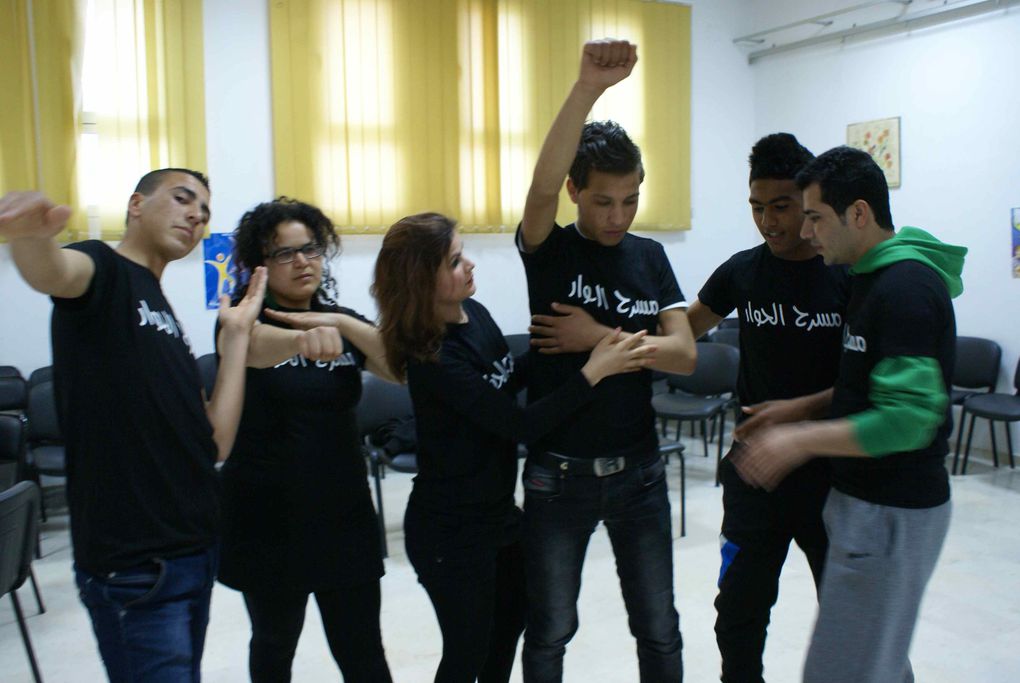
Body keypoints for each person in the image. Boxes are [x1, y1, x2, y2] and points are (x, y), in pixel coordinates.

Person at [0, 169, 267, 682]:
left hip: (192, 552)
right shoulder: (102, 269)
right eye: (183, 198)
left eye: (205, 211)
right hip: (138, 568)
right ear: (136, 205)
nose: (196, 215)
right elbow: (52, 271)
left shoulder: (162, 311)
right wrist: (30, 237)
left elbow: (212, 442)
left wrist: (235, 342)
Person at [371, 212, 654, 683]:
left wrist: (569, 345)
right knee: (468, 650)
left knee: (508, 626)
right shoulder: (433, 357)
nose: (470, 266)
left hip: (496, 516)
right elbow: (518, 423)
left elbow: (505, 376)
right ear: (422, 278)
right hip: (450, 531)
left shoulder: (473, 314)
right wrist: (593, 370)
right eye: (455, 261)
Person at [731, 146, 966, 683]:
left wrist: (802, 440)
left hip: (892, 511)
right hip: (864, 504)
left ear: (857, 214)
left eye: (815, 217)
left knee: (845, 671)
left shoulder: (905, 289)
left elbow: (908, 418)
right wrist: (802, 408)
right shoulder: (871, 278)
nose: (805, 232)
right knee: (873, 664)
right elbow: (864, 388)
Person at [516, 40, 695, 682]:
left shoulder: (650, 257)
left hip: (640, 474)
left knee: (659, 628)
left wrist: (598, 337)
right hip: (557, 478)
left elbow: (685, 353)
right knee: (550, 631)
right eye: (602, 201)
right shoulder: (551, 252)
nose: (617, 216)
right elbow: (538, 189)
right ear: (575, 192)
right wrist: (588, 87)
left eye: (629, 199)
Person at [682, 133, 851, 683]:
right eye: (757, 207)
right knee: (738, 617)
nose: (769, 221)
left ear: (806, 203)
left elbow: (865, 381)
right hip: (754, 476)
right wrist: (614, 341)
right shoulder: (743, 271)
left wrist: (799, 416)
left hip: (833, 475)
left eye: (781, 206)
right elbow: (683, 330)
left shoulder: (844, 275)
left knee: (852, 618)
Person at [215, 198, 393, 682]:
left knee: (363, 654)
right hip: (269, 518)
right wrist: (299, 340)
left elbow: (399, 368)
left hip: (343, 515)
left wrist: (340, 324)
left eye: (311, 250)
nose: (302, 262)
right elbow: (250, 349)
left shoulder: (341, 319)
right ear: (260, 267)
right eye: (284, 254)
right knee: (274, 647)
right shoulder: (239, 323)